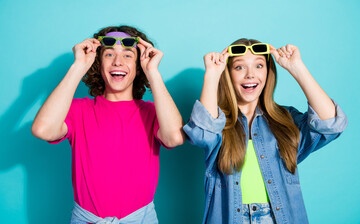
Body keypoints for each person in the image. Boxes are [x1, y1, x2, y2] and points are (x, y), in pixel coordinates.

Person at [183, 39, 348, 224]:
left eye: (259, 65)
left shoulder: (286, 120)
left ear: (268, 72)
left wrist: (297, 68)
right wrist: (212, 75)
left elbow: (331, 124)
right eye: (239, 67)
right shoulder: (219, 123)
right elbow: (200, 132)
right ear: (228, 73)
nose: (250, 74)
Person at [31, 25, 185, 223]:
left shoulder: (152, 112)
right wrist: (78, 66)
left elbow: (175, 137)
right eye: (109, 54)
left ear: (139, 65)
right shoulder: (79, 110)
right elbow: (43, 130)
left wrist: (152, 72)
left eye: (128, 55)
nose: (118, 62)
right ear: (98, 62)